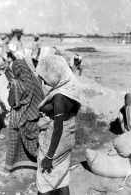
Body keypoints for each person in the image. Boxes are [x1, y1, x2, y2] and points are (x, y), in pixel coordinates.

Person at [35, 55, 81, 195]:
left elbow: (58, 128)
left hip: (55, 142)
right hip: (68, 138)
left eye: (47, 77)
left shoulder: (59, 98)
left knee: (44, 180)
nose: (45, 81)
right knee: (62, 176)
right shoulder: (70, 87)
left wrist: (49, 157)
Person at [0, 51, 44, 176]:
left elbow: (11, 102)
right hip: (33, 117)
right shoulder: (35, 80)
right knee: (34, 143)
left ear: (16, 70)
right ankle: (39, 165)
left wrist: (11, 88)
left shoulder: (16, 84)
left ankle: (7, 169)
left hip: (18, 119)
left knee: (13, 143)